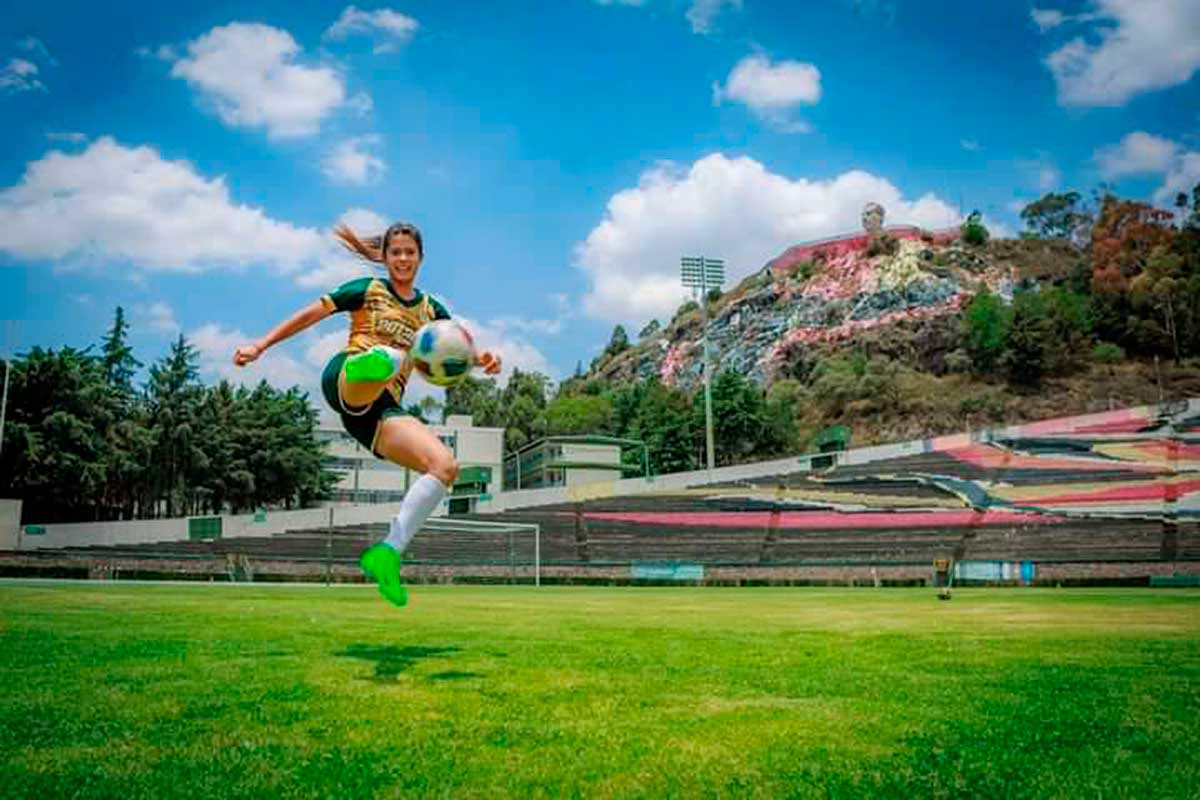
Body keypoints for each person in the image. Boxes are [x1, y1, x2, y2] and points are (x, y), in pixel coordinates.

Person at [233, 221, 501, 608]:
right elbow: (310, 314)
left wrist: (483, 360)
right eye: (396, 252)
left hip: (378, 413)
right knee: (389, 358)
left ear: (420, 258)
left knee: (444, 466)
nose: (403, 258)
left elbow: (455, 347)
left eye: (410, 252)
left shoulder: (431, 309)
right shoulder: (367, 289)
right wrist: (261, 345)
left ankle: (388, 552)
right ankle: (377, 362)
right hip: (346, 378)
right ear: (385, 257)